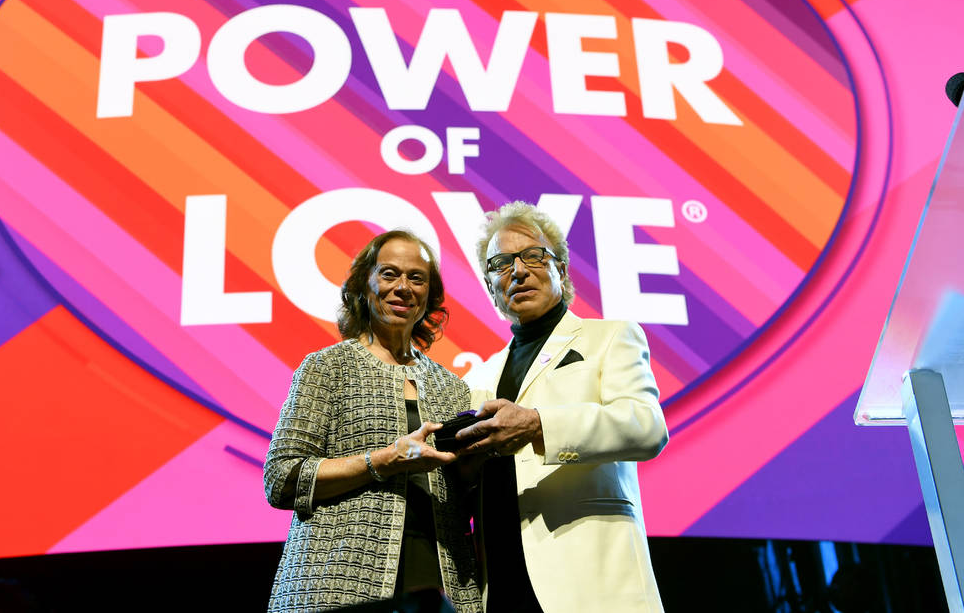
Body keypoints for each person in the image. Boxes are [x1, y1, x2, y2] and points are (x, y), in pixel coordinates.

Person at [457, 201, 669, 612]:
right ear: (490, 288)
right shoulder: (477, 378)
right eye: (500, 264)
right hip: (501, 580)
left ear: (562, 270)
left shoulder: (611, 337)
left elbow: (647, 427)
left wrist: (538, 426)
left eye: (533, 255)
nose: (518, 271)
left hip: (590, 579)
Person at [263, 230, 482, 613]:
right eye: (389, 274)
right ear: (364, 285)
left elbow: (461, 498)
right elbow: (280, 479)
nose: (403, 287)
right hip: (335, 580)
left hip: (440, 579)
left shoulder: (453, 388)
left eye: (416, 278)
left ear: (429, 296)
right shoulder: (327, 367)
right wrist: (383, 461)